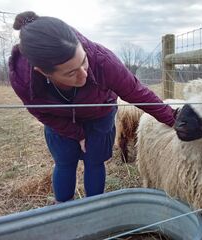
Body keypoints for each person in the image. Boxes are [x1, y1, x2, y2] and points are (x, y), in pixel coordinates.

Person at [9, 11, 176, 203]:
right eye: (72, 73)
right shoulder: (24, 80)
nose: (84, 75)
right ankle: (63, 210)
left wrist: (173, 118)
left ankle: (94, 209)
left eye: (84, 62)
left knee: (95, 161)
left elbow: (136, 92)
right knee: (65, 162)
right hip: (60, 121)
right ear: (43, 73)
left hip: (99, 114)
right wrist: (76, 133)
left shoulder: (102, 60)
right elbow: (41, 112)